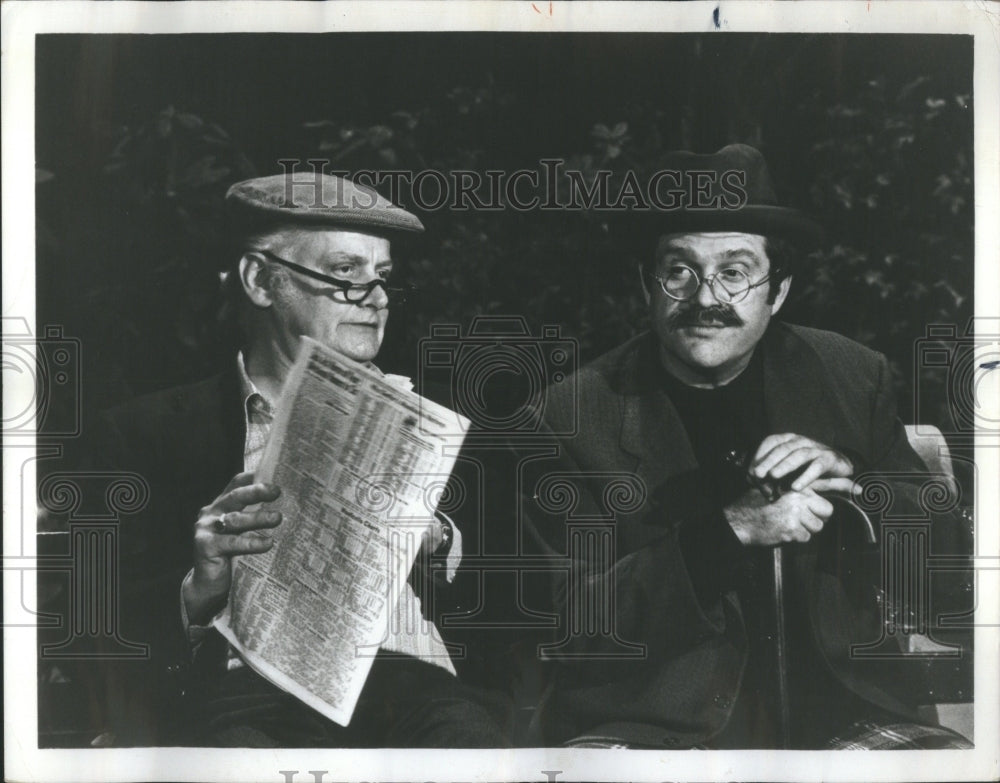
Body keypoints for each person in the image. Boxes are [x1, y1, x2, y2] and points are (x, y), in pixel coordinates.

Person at [519, 144, 973, 749]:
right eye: (678, 270)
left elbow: (950, 581)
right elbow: (562, 631)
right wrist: (726, 534)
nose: (706, 297)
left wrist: (857, 483)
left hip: (847, 718)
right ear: (646, 285)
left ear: (778, 290)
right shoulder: (569, 415)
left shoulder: (850, 376)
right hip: (656, 734)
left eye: (734, 271)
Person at [89, 172, 507, 747]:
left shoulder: (431, 426)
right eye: (344, 273)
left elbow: (519, 616)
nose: (378, 298)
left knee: (471, 748)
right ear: (261, 280)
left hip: (417, 694)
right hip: (246, 698)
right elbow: (100, 638)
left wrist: (440, 543)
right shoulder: (150, 432)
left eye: (382, 277)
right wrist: (201, 585)